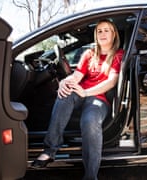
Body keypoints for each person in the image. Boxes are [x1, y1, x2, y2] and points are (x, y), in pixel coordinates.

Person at [31, 19, 124, 180]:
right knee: (65, 93)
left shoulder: (118, 54)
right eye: (99, 31)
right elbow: (76, 76)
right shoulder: (89, 54)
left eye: (106, 30)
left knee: (90, 121)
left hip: (99, 98)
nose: (102, 34)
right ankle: (50, 150)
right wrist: (64, 83)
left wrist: (86, 93)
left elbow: (111, 82)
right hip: (81, 92)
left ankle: (90, 176)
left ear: (114, 34)